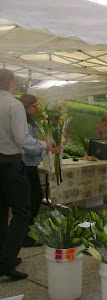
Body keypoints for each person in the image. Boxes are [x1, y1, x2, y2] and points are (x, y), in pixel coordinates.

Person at [0, 69, 52, 280]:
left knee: (2, 212)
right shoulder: (13, 105)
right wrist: (45, 145)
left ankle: (4, 257)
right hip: (11, 163)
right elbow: (23, 138)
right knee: (22, 212)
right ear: (12, 83)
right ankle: (7, 262)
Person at [19, 94, 62, 247]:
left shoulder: (32, 123)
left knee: (34, 198)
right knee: (34, 198)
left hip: (30, 166)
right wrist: (48, 150)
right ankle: (24, 234)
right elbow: (30, 150)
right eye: (34, 106)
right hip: (26, 166)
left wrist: (50, 148)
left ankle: (26, 231)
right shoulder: (26, 126)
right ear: (26, 108)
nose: (37, 109)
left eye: (38, 106)